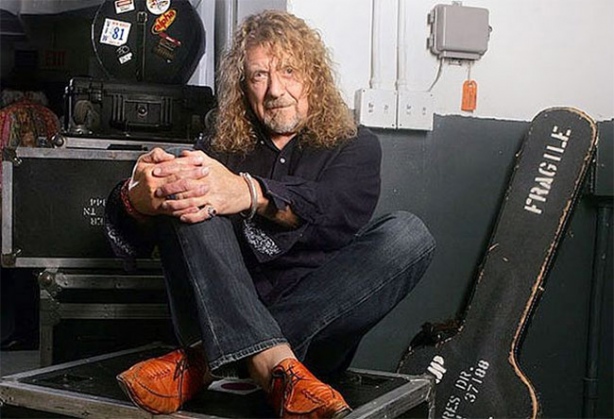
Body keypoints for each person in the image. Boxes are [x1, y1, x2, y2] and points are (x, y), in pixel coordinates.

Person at [104, 10, 435, 418]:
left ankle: (209, 360)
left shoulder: (355, 145)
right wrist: (135, 200)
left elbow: (333, 215)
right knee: (189, 175)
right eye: (259, 75)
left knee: (409, 234)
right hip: (216, 316)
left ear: (313, 77)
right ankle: (268, 363)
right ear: (243, 87)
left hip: (312, 347)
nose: (276, 89)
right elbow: (137, 241)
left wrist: (248, 193)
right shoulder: (218, 147)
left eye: (289, 71)